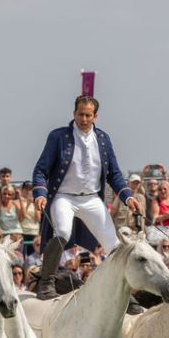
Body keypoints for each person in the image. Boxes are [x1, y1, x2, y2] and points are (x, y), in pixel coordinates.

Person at [31, 95, 140, 299]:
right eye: (80, 114)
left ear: (95, 116)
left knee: (114, 245)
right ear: (74, 113)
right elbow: (41, 170)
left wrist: (128, 197)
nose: (83, 119)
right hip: (64, 197)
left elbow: (114, 174)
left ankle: (125, 292)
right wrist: (40, 193)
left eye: (88, 115)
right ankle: (46, 283)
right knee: (62, 232)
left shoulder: (103, 139)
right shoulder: (58, 137)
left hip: (91, 199)